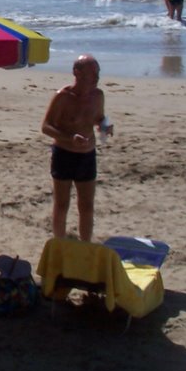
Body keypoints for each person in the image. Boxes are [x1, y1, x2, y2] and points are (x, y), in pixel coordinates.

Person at [41, 54, 111, 242]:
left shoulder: (98, 95)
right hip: (64, 153)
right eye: (92, 73)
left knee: (87, 205)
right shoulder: (63, 97)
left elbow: (98, 117)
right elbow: (46, 126)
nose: (96, 77)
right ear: (77, 73)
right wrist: (69, 138)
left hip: (87, 155)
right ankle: (60, 243)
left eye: (98, 73)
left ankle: (85, 244)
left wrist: (105, 125)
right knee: (62, 204)